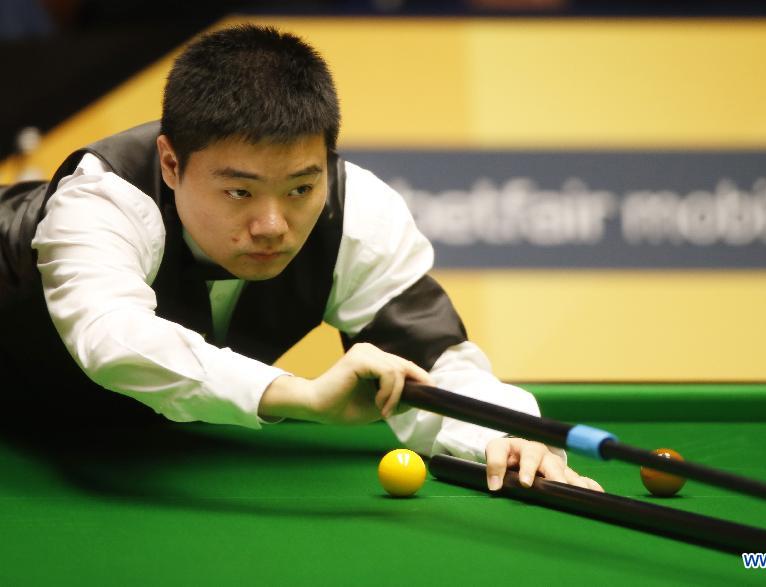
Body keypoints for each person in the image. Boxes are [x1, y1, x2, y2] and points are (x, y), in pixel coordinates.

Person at [0, 24, 601, 493]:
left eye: (299, 188)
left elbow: (436, 362)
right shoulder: (103, 196)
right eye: (239, 191)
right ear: (171, 163)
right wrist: (303, 396)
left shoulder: (354, 210)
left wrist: (506, 433)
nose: (272, 225)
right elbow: (112, 339)